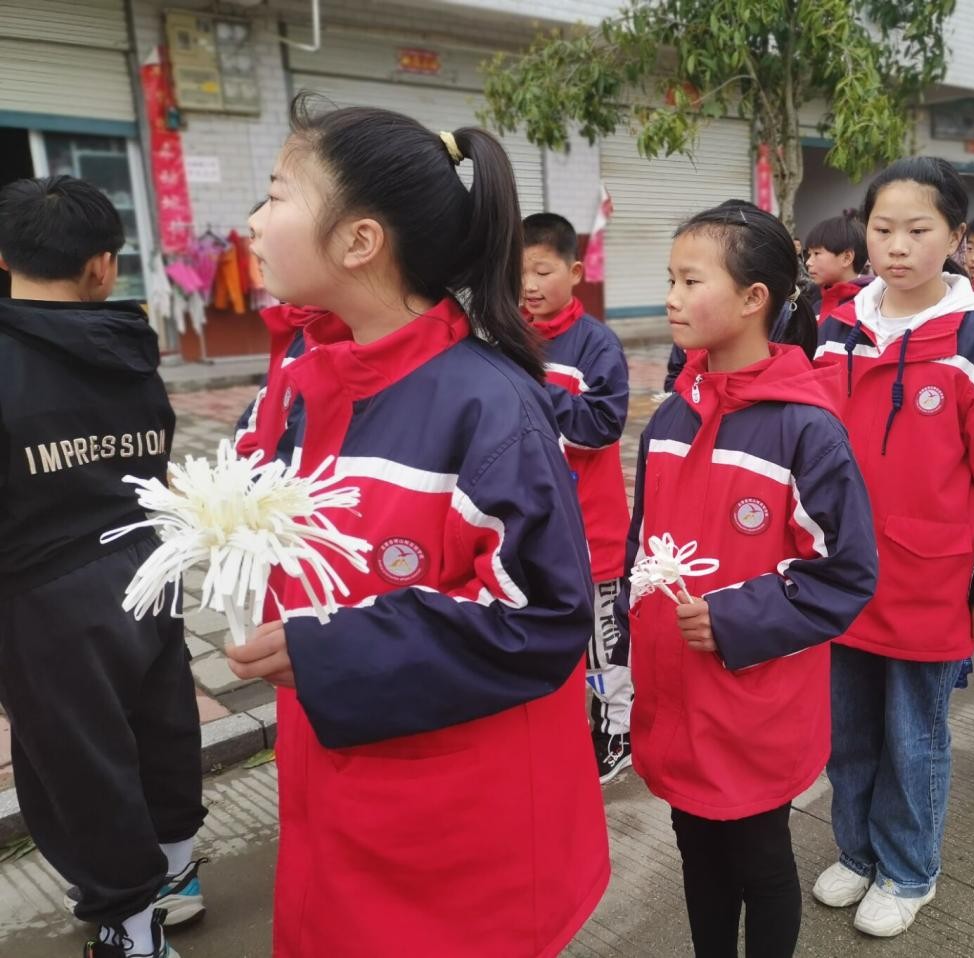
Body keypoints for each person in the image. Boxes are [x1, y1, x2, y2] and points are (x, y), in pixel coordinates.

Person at [225, 97, 609, 956]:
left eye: (277, 194)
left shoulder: (486, 402)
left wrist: (334, 649)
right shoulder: (307, 382)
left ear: (360, 240)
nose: (252, 222)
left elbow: (543, 616)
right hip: (336, 788)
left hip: (456, 832)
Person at [618, 203, 877, 957]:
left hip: (753, 696)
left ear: (754, 297)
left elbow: (845, 574)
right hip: (677, 688)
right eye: (670, 278)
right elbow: (646, 548)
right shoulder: (671, 419)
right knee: (696, 851)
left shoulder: (805, 427)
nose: (669, 295)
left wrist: (735, 617)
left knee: (760, 858)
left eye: (688, 279)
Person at [812, 157, 974, 934]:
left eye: (919, 230)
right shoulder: (838, 327)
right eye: (883, 229)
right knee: (846, 731)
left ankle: (910, 869)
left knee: (913, 738)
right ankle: (856, 852)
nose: (898, 246)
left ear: (955, 235)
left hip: (930, 578)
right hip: (842, 574)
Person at [0, 175, 205, 958]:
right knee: (163, 727)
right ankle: (177, 878)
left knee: (77, 764)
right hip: (148, 572)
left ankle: (131, 930)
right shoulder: (131, 349)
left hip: (43, 602)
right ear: (101, 267)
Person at [521, 211, 634, 783]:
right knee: (545, 637)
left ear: (573, 271)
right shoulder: (505, 334)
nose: (529, 285)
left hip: (593, 528)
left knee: (602, 644)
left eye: (541, 271)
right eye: (518, 272)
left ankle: (617, 730)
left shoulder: (595, 344)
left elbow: (604, 424)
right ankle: (562, 729)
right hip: (529, 529)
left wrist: (530, 391)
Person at [804, 212, 869, 322]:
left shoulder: (869, 308)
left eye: (816, 253)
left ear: (846, 258)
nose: (808, 262)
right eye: (809, 255)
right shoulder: (814, 303)